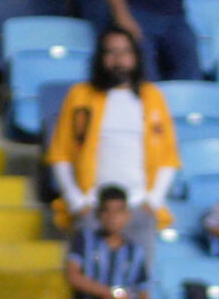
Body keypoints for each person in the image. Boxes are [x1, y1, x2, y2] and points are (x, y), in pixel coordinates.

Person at [43, 25, 180, 239]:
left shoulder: (153, 97)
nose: (118, 60)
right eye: (111, 52)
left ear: (136, 57)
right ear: (100, 57)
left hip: (139, 207)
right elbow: (60, 154)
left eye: (125, 52)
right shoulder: (80, 95)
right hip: (92, 207)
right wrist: (77, 202)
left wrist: (153, 202)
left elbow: (168, 157)